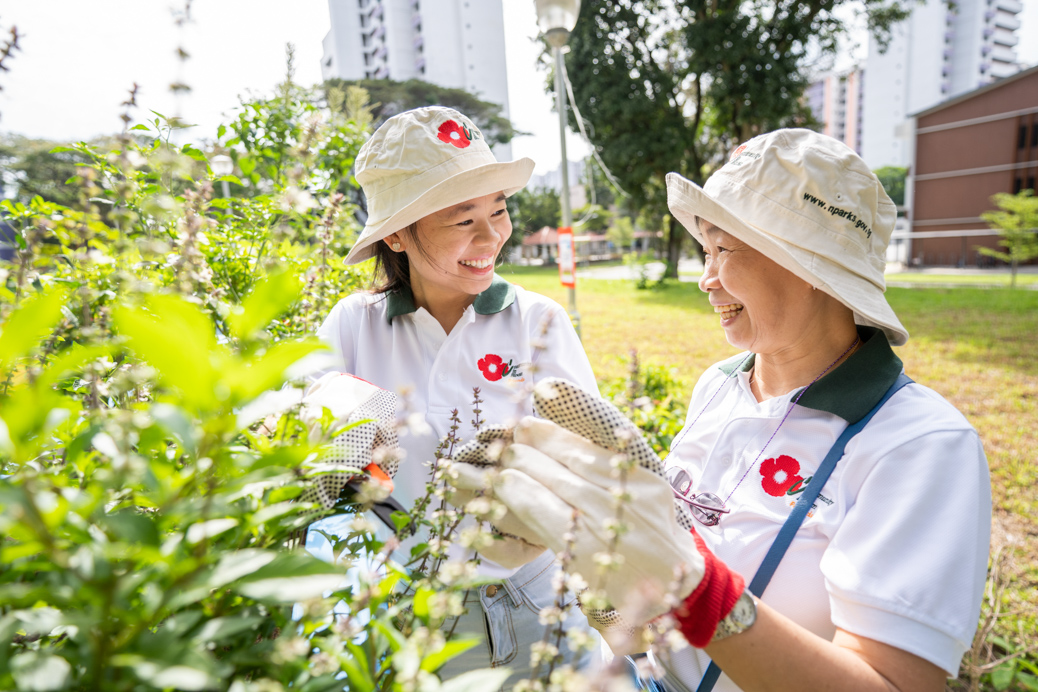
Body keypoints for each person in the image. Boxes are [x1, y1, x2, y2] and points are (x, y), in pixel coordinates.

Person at [454, 129, 992, 692]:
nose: (706, 281)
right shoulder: (719, 385)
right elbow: (678, 544)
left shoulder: (920, 445)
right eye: (704, 251)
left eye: (724, 250)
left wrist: (694, 591)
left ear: (811, 265)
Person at [311, 106, 600, 685]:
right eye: (462, 219)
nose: (492, 235)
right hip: (404, 614)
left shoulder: (537, 322)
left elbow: (593, 472)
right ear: (397, 232)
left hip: (532, 605)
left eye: (498, 210)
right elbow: (305, 467)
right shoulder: (352, 326)